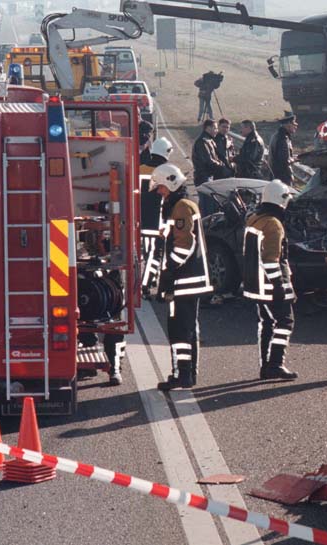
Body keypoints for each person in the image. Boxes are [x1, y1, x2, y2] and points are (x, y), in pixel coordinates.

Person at [150, 164, 213, 391]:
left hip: (185, 281)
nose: (159, 192)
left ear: (172, 182)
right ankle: (185, 374)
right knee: (184, 327)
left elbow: (184, 245)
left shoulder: (181, 207)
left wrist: (169, 273)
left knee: (180, 328)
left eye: (161, 187)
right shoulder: (180, 205)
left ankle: (183, 375)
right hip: (187, 280)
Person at [242, 180, 299, 380]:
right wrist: (279, 287)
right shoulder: (273, 224)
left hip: (254, 284)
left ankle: (266, 366)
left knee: (267, 323)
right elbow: (271, 260)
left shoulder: (254, 219)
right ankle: (275, 364)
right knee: (285, 321)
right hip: (268, 284)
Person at [140, 137, 173, 295]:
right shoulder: (168, 172)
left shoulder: (139, 169)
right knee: (155, 253)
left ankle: (144, 279)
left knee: (145, 252)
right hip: (159, 221)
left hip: (140, 220)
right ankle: (148, 283)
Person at [192, 119, 232, 187]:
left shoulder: (209, 140)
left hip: (209, 176)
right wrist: (223, 168)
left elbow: (216, 157)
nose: (217, 131)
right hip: (203, 177)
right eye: (215, 128)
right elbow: (208, 161)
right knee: (207, 197)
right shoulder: (202, 142)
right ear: (208, 128)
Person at [269, 112, 297, 186]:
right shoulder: (283, 139)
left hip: (276, 176)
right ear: (288, 124)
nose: (296, 126)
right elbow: (284, 160)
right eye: (294, 123)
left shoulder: (277, 135)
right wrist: (295, 159)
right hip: (283, 177)